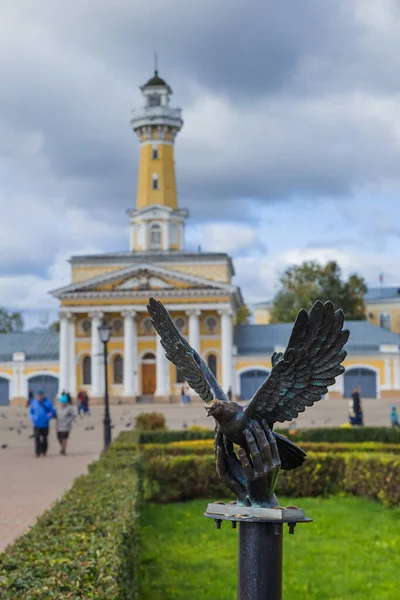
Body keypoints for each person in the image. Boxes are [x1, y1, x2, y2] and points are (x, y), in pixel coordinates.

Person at [29, 390, 55, 457]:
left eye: (41, 396)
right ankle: (37, 452)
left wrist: (47, 417)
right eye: (38, 396)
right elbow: (31, 412)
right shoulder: (34, 402)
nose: (39, 397)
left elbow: (52, 412)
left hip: (45, 424)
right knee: (37, 438)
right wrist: (33, 418)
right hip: (36, 424)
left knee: (44, 438)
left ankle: (44, 451)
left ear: (43, 396)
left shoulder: (48, 402)